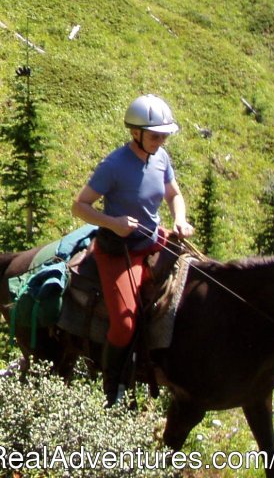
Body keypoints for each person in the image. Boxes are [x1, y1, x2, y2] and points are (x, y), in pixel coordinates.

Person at [71, 94, 193, 406]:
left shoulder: (161, 158)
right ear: (135, 133)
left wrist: (180, 219)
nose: (161, 141)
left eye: (164, 135)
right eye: (155, 135)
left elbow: (173, 194)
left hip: (153, 240)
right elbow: (80, 206)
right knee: (124, 324)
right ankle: (113, 387)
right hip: (119, 250)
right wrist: (112, 222)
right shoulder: (113, 165)